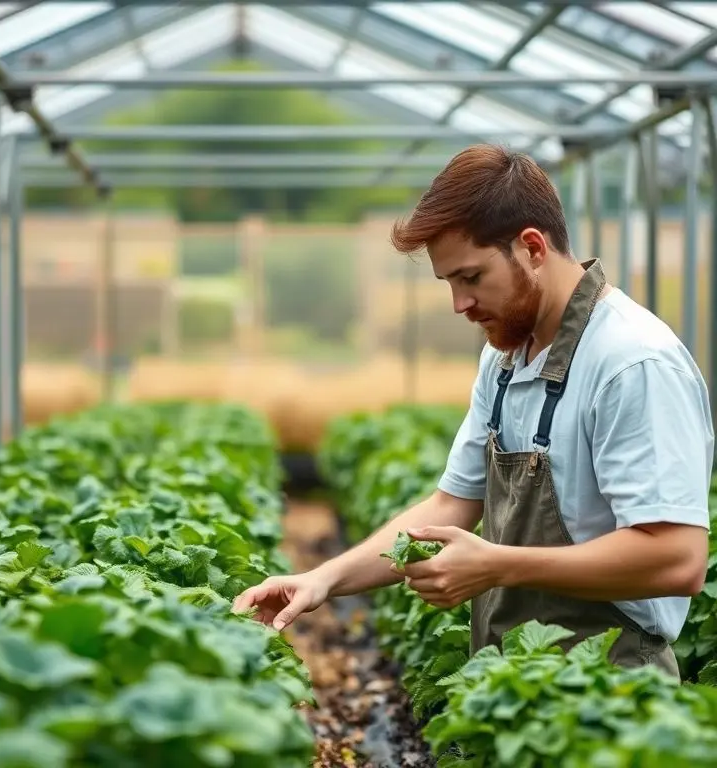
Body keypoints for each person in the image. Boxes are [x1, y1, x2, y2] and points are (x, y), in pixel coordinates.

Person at [232, 143, 714, 678]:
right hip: (510, 679)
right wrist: (324, 579)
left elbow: (677, 558)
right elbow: (452, 504)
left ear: (531, 247)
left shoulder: (632, 361)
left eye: (471, 277)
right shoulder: (505, 357)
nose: (459, 304)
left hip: (610, 692)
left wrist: (496, 564)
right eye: (449, 284)